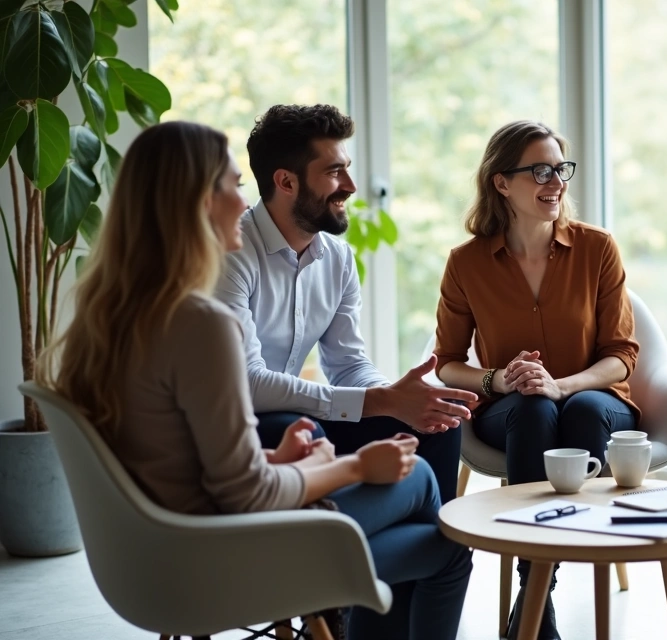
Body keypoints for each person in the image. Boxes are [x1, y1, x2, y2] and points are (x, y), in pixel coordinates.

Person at [37, 122, 472, 639]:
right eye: (232, 183)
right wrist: (353, 465)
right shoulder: (200, 322)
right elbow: (246, 492)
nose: (244, 199)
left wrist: (282, 457)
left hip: (160, 554)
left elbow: (171, 454)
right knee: (426, 500)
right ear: (199, 202)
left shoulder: (108, 314)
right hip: (219, 561)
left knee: (428, 506)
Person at [433, 120, 640, 640]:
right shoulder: (466, 263)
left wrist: (564, 384)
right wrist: (500, 378)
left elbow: (621, 355)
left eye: (561, 169)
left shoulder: (597, 249)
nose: (556, 182)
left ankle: (533, 597)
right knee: (534, 409)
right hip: (513, 405)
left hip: (595, 398)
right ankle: (538, 586)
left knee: (582, 409)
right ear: (502, 183)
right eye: (540, 171)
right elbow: (447, 362)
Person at [213, 104, 477, 505]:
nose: (351, 185)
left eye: (347, 168)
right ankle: (339, 552)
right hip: (243, 427)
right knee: (301, 430)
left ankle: (440, 559)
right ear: (286, 181)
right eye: (334, 171)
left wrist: (399, 396)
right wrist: (381, 402)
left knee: (434, 424)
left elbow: (348, 365)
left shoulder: (337, 258)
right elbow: (246, 384)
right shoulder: (232, 254)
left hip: (299, 414)